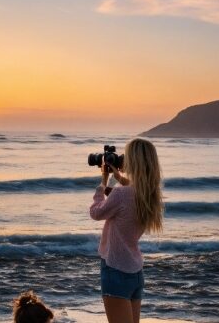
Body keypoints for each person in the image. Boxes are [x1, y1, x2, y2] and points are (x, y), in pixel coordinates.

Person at [89, 138, 163, 323]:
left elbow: (96, 213)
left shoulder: (121, 194)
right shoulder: (150, 194)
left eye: (126, 156)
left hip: (115, 269)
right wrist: (119, 178)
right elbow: (130, 192)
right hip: (135, 272)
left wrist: (103, 183)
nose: (123, 159)